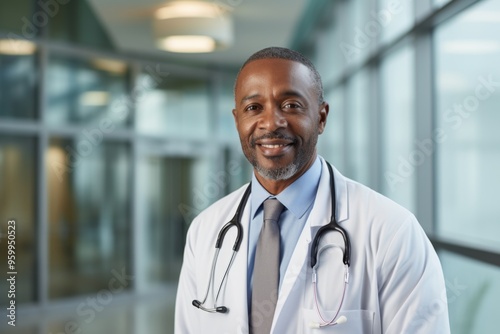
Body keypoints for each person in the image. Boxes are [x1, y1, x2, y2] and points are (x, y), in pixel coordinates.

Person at [175, 47, 450, 333]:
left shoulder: (391, 231)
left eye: (291, 105)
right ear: (237, 121)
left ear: (321, 117)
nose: (271, 123)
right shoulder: (205, 229)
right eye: (253, 108)